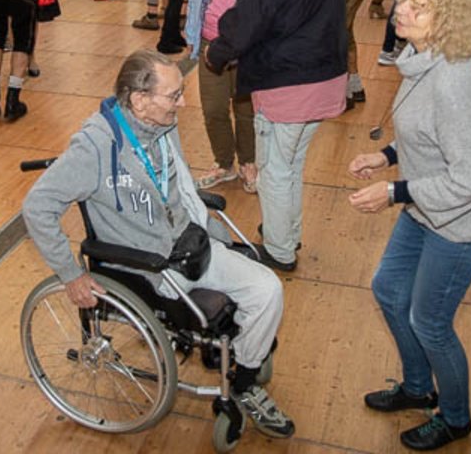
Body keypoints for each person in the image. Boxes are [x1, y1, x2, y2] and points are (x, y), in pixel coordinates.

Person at [22, 49, 295, 440]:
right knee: (233, 309)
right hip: (149, 267)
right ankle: (239, 367)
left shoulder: (162, 125)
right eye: (174, 95)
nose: (182, 103)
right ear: (139, 100)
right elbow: (37, 206)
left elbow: (177, 187)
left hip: (190, 246)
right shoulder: (95, 147)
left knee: (268, 289)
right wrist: (70, 274)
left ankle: (244, 381)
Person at [346, 0, 471, 451]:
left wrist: (393, 191)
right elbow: (427, 134)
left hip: (460, 225)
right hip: (426, 205)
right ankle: (417, 387)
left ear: (449, 18)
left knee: (430, 322)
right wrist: (387, 156)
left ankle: (455, 418)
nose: (401, 9)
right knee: (390, 290)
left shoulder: (454, 81)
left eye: (419, 5)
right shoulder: (421, 59)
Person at [206, 0, 347, 271]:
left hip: (288, 85)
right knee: (291, 164)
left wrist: (215, 53)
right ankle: (285, 231)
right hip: (327, 77)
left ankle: (279, 250)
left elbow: (243, 27)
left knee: (274, 170)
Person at [185, 0, 265, 191]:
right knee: (213, 108)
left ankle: (248, 163)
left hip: (247, 45)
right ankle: (223, 163)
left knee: (246, 109)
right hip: (211, 41)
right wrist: (192, 31)